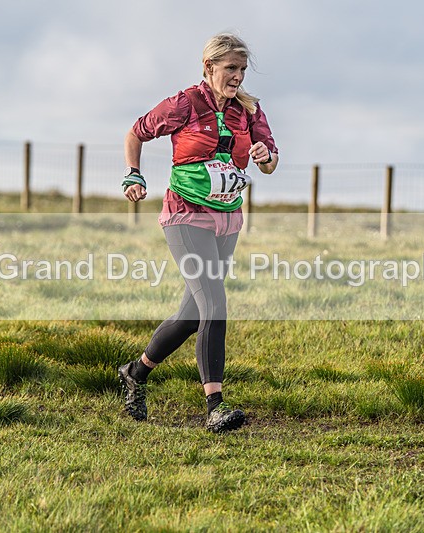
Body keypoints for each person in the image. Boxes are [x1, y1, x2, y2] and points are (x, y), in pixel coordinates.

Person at [117, 32, 279, 433]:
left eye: (242, 69)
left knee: (192, 316)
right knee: (215, 305)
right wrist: (133, 175)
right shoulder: (184, 104)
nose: (238, 76)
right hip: (185, 217)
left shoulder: (250, 111)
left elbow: (271, 160)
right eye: (230, 68)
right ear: (208, 68)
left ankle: (135, 372)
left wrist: (264, 155)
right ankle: (215, 407)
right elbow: (136, 132)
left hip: (226, 219)